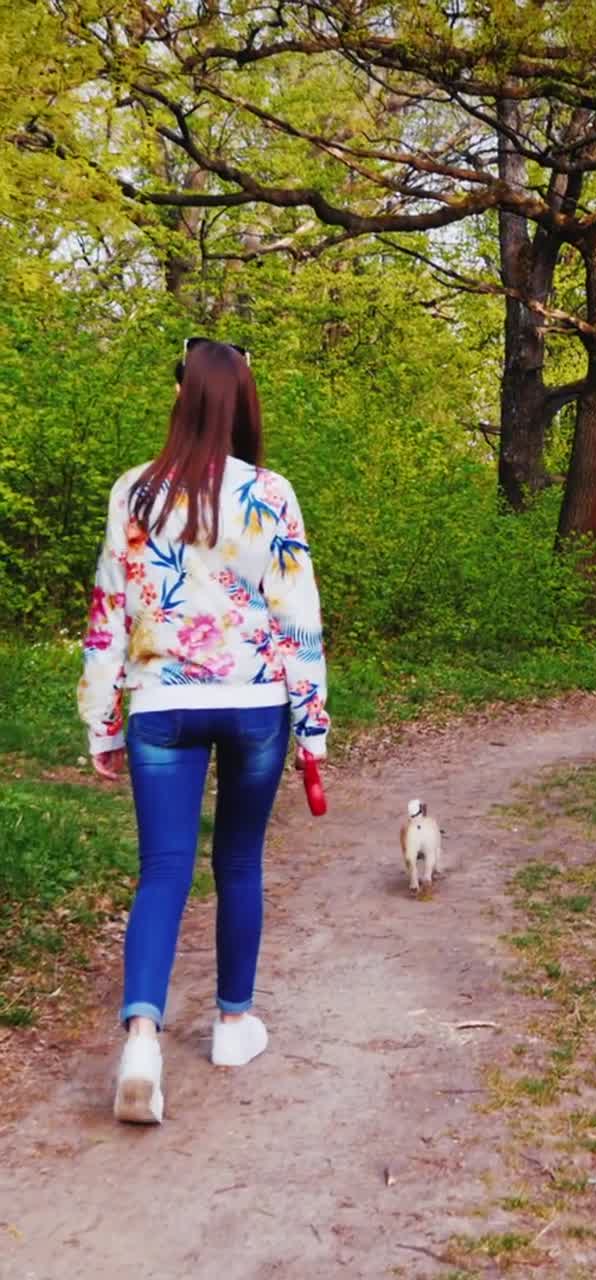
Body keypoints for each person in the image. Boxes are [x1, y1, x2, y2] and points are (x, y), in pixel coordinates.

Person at [78, 337, 330, 1124]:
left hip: (160, 704)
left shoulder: (135, 492)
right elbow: (299, 618)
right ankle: (231, 1024)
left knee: (162, 872)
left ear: (181, 398)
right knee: (240, 863)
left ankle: (144, 1041)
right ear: (244, 402)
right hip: (254, 704)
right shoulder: (271, 492)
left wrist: (100, 718)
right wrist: (312, 728)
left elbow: (107, 610)